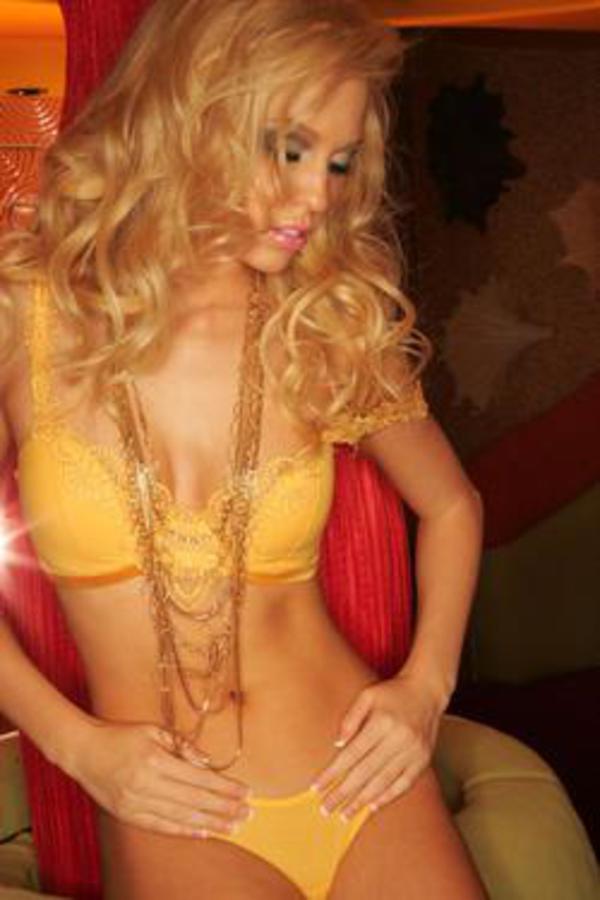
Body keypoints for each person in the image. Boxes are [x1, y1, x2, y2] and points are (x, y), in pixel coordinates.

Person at [0, 1, 488, 898]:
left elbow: (452, 505)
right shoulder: (25, 312)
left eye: (339, 162)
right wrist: (78, 746)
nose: (320, 197)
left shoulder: (323, 323)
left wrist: (425, 687)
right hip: (174, 810)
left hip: (360, 778)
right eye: (290, 150)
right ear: (192, 113)